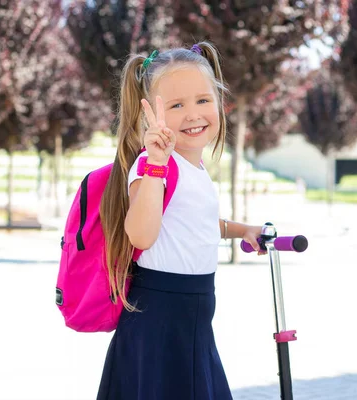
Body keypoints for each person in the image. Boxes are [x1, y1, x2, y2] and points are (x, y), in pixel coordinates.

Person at [97, 41, 266, 400]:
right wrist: (156, 164)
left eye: (203, 100)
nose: (193, 114)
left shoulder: (194, 167)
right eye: (176, 105)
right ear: (149, 117)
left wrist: (244, 231)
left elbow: (198, 222)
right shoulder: (153, 166)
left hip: (193, 315)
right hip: (160, 316)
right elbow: (141, 234)